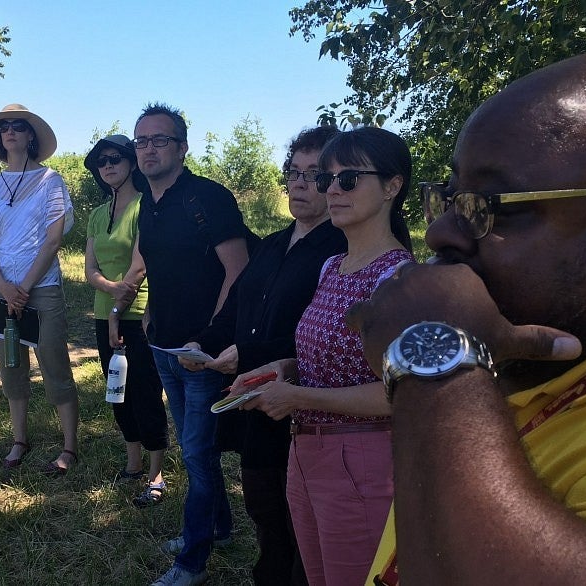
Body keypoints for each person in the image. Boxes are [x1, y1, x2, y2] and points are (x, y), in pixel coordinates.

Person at [346, 51, 586, 585]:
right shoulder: (520, 371)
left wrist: (433, 350)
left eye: (496, 204)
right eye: (450, 196)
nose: (442, 231)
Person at [232, 127, 415, 586]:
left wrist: (297, 397)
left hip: (363, 460)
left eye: (349, 179)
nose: (332, 189)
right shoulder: (332, 266)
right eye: (325, 179)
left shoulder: (400, 280)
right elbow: (329, 356)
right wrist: (285, 368)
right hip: (306, 450)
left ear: (392, 186)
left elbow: (402, 394)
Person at [181, 125, 347, 585]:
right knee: (264, 508)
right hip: (252, 399)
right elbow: (238, 301)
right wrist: (204, 341)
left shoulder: (343, 248)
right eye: (293, 171)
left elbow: (329, 337)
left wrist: (249, 352)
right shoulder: (273, 242)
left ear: (339, 180)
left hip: (306, 405)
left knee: (301, 522)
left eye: (315, 174)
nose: (299, 183)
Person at [134, 103, 251, 586]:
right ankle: (218, 525)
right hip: (163, 347)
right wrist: (147, 315)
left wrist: (211, 338)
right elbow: (157, 269)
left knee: (199, 457)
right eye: (141, 141)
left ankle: (192, 561)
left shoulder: (209, 198)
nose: (148, 149)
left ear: (182, 147)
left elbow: (238, 271)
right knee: (192, 449)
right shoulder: (149, 203)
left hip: (200, 355)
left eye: (159, 140)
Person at [0, 103, 79, 476]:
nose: (11, 131)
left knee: (54, 363)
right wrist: (4, 286)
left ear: (31, 135)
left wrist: (25, 287)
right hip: (2, 289)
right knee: (11, 366)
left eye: (19, 126)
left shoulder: (51, 181)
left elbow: (52, 240)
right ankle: (19, 439)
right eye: (4, 127)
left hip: (42, 287)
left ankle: (69, 446)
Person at [82, 134, 170, 507]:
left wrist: (120, 304)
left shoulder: (146, 207)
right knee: (117, 391)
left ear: (131, 162)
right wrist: (108, 290)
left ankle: (156, 474)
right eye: (101, 161)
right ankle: (132, 462)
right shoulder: (97, 214)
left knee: (145, 391)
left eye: (115, 158)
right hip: (106, 314)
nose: (107, 166)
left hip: (138, 315)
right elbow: (89, 268)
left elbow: (140, 265)